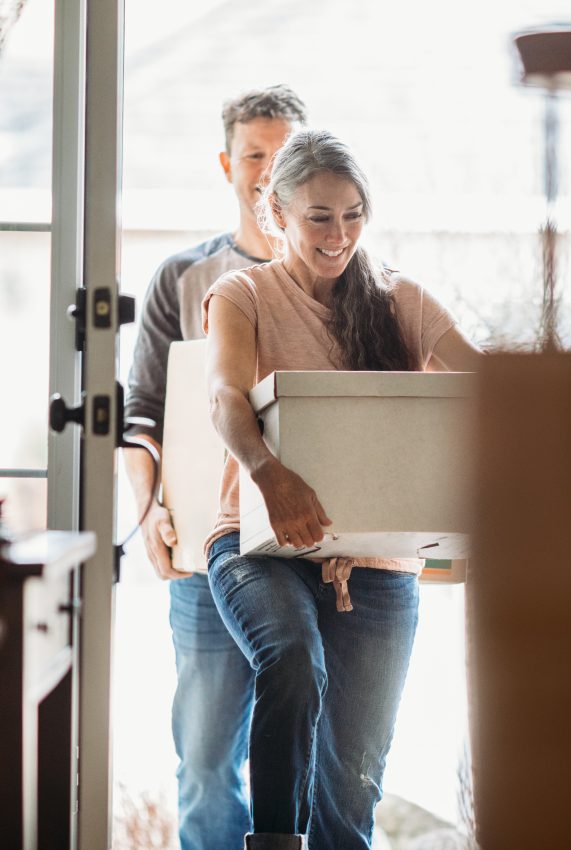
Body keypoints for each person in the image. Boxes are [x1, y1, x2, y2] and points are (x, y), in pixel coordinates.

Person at [203, 129, 480, 850]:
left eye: (353, 213)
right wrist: (271, 474)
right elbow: (224, 398)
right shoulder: (243, 294)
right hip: (257, 543)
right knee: (292, 657)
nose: (339, 233)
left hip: (379, 562)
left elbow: (486, 389)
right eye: (320, 216)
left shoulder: (400, 300)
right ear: (278, 215)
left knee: (352, 785)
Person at [123, 85, 308, 850]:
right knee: (204, 761)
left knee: (305, 759)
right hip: (204, 556)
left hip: (310, 554)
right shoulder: (181, 278)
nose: (268, 170)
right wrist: (150, 512)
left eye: (283, 153)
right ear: (227, 164)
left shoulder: (339, 278)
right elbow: (141, 414)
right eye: (254, 154)